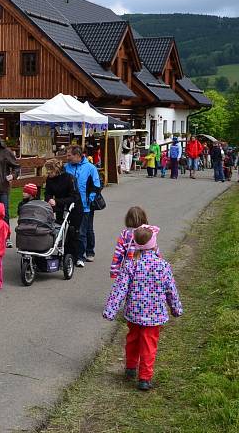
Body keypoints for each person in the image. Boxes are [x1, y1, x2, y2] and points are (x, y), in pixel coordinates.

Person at [103, 225, 182, 391]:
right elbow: (171, 290)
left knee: (133, 339)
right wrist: (176, 309)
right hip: (154, 315)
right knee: (149, 344)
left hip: (135, 312)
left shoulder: (131, 265)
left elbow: (119, 289)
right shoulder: (163, 266)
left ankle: (131, 367)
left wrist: (111, 310)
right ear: (154, 244)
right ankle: (144, 378)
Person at [65, 145, 100, 267]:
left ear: (78, 156)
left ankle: (89, 251)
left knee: (85, 230)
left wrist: (90, 198)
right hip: (70, 204)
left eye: (70, 155)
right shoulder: (66, 167)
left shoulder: (90, 168)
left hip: (86, 205)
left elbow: (97, 185)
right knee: (72, 229)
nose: (67, 157)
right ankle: (73, 252)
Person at [43, 158, 81, 261]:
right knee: (59, 228)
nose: (47, 173)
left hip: (73, 207)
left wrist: (57, 201)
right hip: (59, 207)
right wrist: (49, 199)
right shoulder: (50, 179)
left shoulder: (69, 178)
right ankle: (60, 250)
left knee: (72, 231)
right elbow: (47, 192)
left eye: (49, 171)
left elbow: (74, 197)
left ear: (56, 170)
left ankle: (74, 256)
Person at [110, 206, 161, 279]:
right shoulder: (148, 232)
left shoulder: (125, 234)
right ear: (144, 218)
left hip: (130, 269)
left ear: (127, 219)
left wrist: (114, 271)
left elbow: (118, 254)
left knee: (132, 289)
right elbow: (156, 250)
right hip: (149, 268)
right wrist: (160, 265)